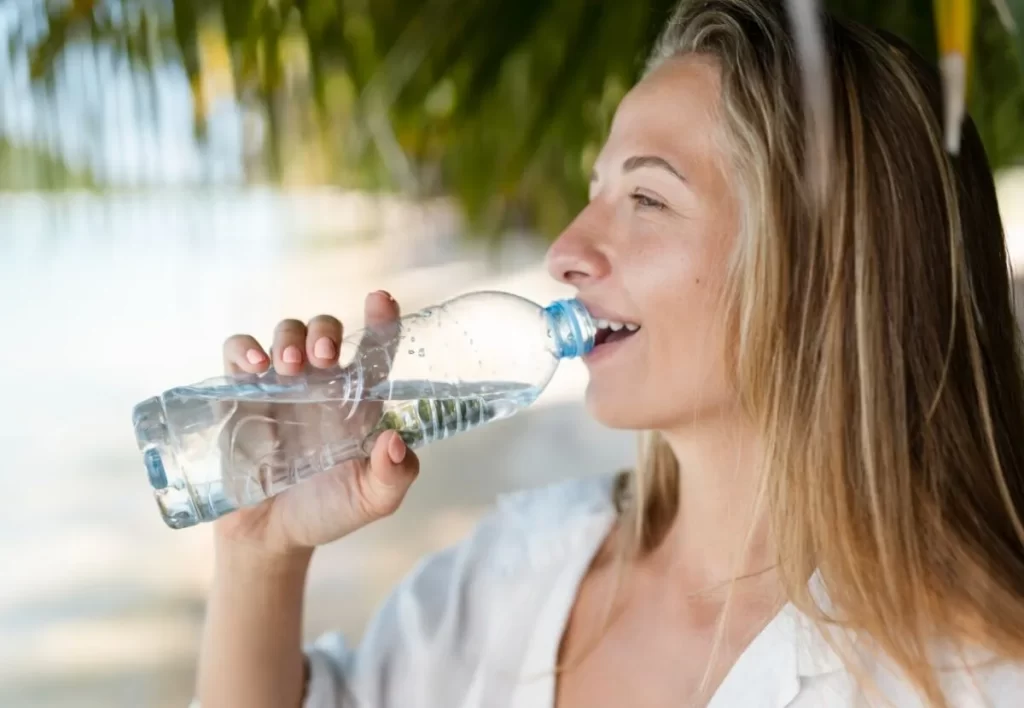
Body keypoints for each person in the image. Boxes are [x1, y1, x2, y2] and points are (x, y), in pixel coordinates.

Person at [193, 1, 1024, 706]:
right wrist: (262, 555)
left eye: (647, 197)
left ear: (828, 266)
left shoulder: (971, 677)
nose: (565, 249)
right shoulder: (517, 569)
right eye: (596, 192)